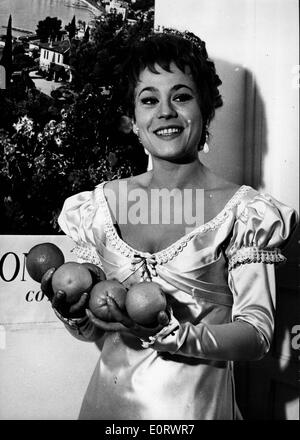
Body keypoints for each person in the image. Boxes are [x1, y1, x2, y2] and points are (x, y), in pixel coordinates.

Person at [41, 29, 298, 420]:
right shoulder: (99, 206)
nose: (165, 111)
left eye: (181, 96)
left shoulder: (245, 212)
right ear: (133, 120)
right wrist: (72, 313)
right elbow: (93, 332)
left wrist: (176, 337)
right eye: (149, 100)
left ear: (206, 109)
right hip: (105, 409)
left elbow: (257, 335)